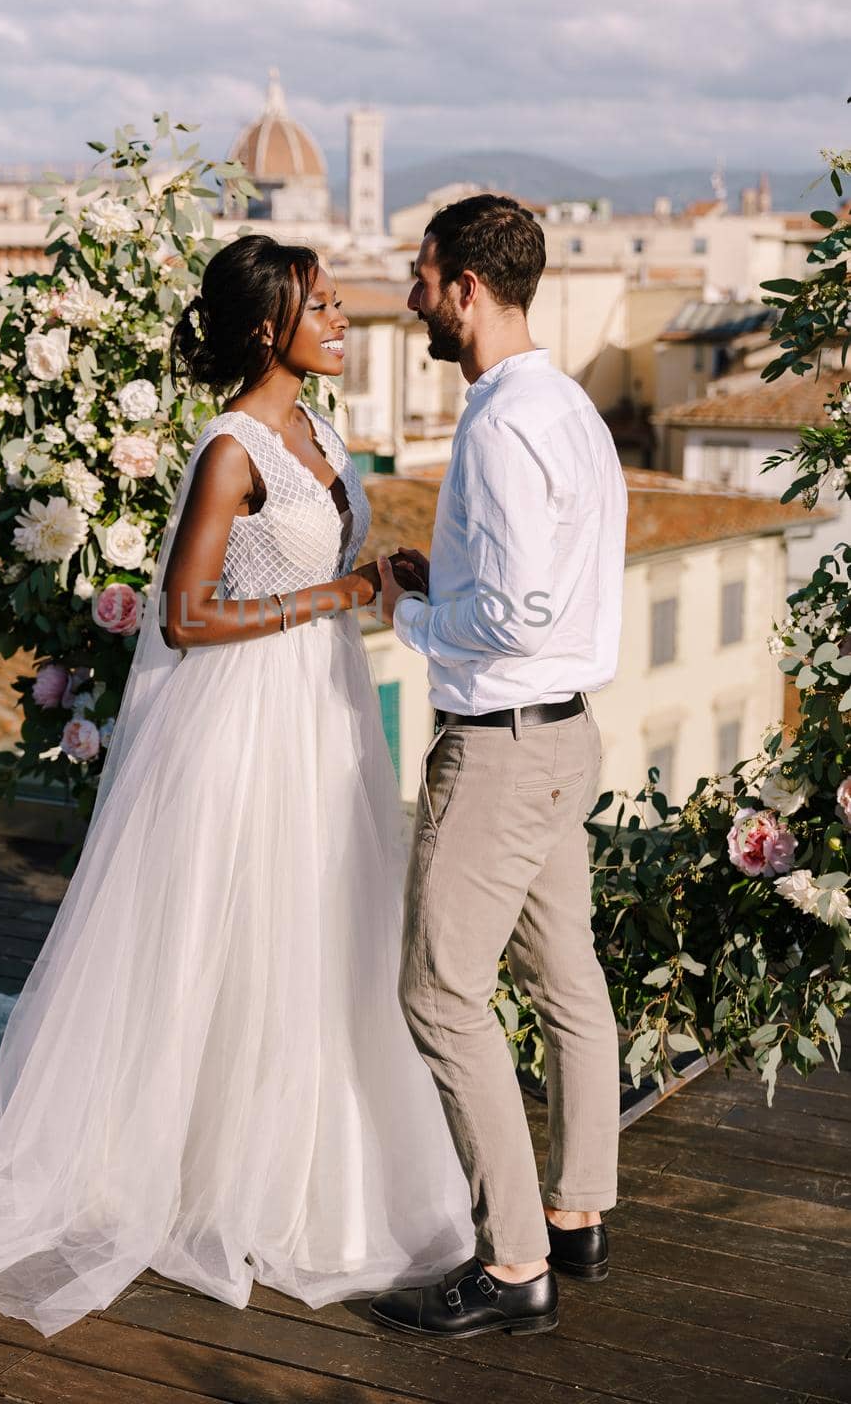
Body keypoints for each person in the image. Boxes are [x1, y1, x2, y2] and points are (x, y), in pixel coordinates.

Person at [0, 234, 476, 1339]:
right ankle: (200, 1163)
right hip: (242, 725)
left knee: (314, 930)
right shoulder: (229, 447)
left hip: (320, 716)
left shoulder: (320, 430)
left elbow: (301, 566)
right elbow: (185, 616)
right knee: (235, 928)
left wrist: (375, 575)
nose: (345, 320)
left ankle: (306, 1161)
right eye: (324, 306)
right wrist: (341, 589)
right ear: (268, 327)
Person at [368, 194, 627, 1340]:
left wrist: (408, 617)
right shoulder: (565, 405)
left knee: (436, 992)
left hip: (506, 745)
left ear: (466, 286)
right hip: (567, 735)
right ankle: (578, 1212)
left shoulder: (497, 422)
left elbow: (517, 615)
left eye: (422, 276)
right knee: (563, 972)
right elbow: (541, 590)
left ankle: (513, 1261)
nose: (412, 295)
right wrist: (447, 588)